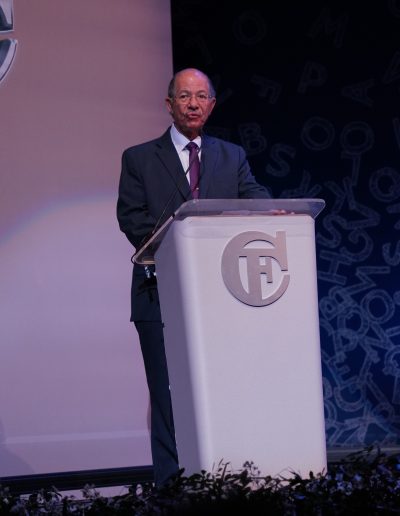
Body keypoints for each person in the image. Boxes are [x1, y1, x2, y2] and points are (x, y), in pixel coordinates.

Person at [116, 68, 270, 487]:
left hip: (223, 296)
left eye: (201, 96)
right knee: (168, 398)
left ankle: (226, 483)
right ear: (169, 105)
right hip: (159, 294)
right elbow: (131, 218)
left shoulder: (231, 156)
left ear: (212, 105)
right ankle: (171, 491)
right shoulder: (139, 158)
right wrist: (181, 239)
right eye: (184, 96)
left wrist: (273, 213)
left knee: (223, 392)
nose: (193, 104)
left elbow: (254, 197)